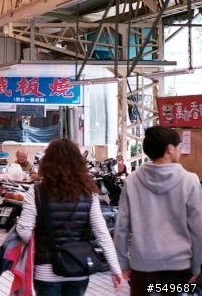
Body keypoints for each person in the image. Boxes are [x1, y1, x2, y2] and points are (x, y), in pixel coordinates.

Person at [16, 139, 124, 295]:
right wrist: (115, 268)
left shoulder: (37, 191)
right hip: (78, 266)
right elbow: (102, 233)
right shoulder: (89, 192)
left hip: (47, 270)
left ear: (47, 162)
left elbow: (24, 231)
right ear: (78, 163)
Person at [114, 126, 202, 296]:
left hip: (142, 264)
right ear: (170, 149)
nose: (180, 150)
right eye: (179, 146)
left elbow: (122, 226)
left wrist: (122, 262)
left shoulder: (133, 180)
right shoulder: (190, 181)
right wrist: (197, 264)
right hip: (178, 265)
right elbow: (197, 229)